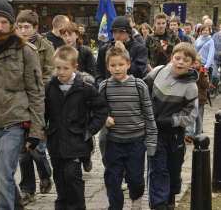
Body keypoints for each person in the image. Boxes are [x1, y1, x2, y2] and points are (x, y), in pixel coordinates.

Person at [0, 0, 45, 210]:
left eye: (5, 22)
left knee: (4, 172)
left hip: (15, 121)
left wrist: (36, 131)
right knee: (0, 174)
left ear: (11, 23)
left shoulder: (26, 52)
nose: (0, 27)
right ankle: (16, 205)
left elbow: (36, 93)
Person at [45, 45, 108, 210]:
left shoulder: (85, 88)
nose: (61, 72)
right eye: (58, 68)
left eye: (65, 68)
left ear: (75, 67)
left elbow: (101, 109)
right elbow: (43, 111)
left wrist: (90, 130)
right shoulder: (49, 88)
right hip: (56, 140)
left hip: (77, 139)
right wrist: (43, 130)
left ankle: (77, 206)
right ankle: (62, 205)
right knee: (59, 176)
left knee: (72, 175)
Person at [99, 42, 157, 210]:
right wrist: (105, 118)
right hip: (114, 142)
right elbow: (97, 111)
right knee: (112, 179)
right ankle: (115, 206)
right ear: (108, 67)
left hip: (136, 142)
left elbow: (148, 115)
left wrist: (151, 142)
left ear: (128, 64)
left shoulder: (139, 86)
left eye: (121, 64)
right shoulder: (105, 86)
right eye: (113, 65)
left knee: (135, 178)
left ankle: (136, 200)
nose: (117, 68)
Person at [144, 42, 198, 210]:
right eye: (177, 58)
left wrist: (171, 121)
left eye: (186, 60)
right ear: (171, 58)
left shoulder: (191, 87)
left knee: (173, 170)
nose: (180, 62)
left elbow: (191, 115)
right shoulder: (159, 71)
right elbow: (143, 90)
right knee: (158, 169)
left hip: (175, 135)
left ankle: (170, 197)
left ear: (192, 64)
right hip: (155, 132)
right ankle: (158, 204)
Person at [16, 9, 54, 205]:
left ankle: (45, 172)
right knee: (23, 150)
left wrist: (36, 86)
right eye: (20, 26)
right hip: (18, 104)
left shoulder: (45, 47)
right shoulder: (12, 46)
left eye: (27, 27)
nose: (23, 30)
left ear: (35, 28)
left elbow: (50, 72)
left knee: (37, 147)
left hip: (40, 101)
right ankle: (27, 189)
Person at [96, 16, 148, 86]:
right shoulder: (104, 49)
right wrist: (102, 86)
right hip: (109, 89)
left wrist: (125, 52)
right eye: (114, 32)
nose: (117, 35)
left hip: (131, 89)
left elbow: (140, 72)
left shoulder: (140, 48)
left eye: (121, 32)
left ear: (129, 33)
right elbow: (99, 72)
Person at [193, 55, 209, 135]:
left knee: (199, 118)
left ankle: (198, 135)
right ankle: (190, 135)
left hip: (200, 98)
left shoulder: (204, 72)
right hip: (192, 98)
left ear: (200, 63)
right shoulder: (191, 71)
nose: (194, 65)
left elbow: (206, 85)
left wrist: (203, 75)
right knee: (191, 117)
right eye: (193, 63)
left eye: (196, 63)